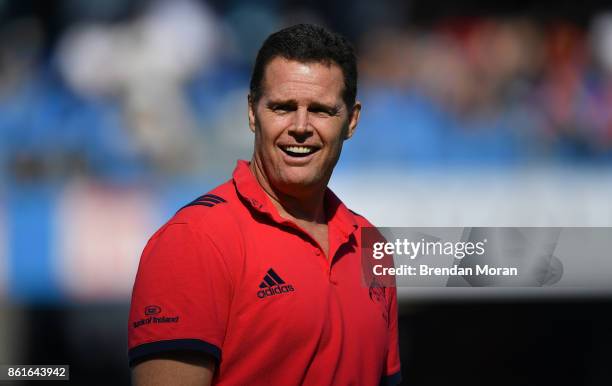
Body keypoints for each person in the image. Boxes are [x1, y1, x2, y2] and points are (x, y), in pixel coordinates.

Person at [128, 23, 401, 386]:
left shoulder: (372, 244)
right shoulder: (195, 239)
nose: (300, 126)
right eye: (283, 107)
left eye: (321, 110)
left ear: (351, 120)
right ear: (253, 112)